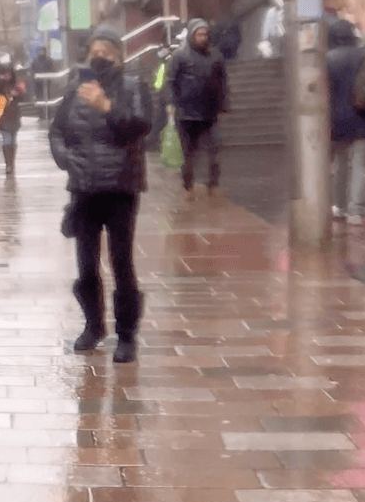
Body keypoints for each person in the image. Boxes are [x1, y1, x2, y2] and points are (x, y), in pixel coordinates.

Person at [49, 24, 152, 364]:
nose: (100, 57)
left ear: (120, 56)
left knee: (121, 262)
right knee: (86, 265)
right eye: (96, 51)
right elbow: (57, 131)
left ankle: (126, 335)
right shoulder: (75, 89)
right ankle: (93, 326)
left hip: (121, 187)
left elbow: (139, 128)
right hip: (84, 189)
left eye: (107, 52)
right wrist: (66, 159)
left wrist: (107, 107)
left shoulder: (134, 87)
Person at [165, 19, 230, 199]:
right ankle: (188, 186)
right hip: (187, 114)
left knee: (214, 149)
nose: (202, 38)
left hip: (209, 113)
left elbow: (222, 81)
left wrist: (225, 104)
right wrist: (171, 103)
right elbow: (171, 82)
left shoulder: (215, 56)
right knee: (189, 154)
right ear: (192, 35)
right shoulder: (180, 55)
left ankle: (214, 185)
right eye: (199, 34)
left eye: (205, 34)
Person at [327, 18, 365, 223]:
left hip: (338, 118)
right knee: (360, 163)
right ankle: (356, 209)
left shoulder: (328, 59)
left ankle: (339, 206)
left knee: (340, 163)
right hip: (363, 115)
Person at [0, 65, 25, 176]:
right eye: (5, 73)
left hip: (14, 116)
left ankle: (11, 162)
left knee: (13, 140)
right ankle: (8, 164)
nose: (7, 76)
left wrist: (17, 95)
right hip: (3, 116)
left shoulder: (15, 85)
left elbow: (22, 97)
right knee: (7, 139)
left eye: (9, 74)